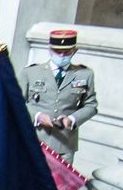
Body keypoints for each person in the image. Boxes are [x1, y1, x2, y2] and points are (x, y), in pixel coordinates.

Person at [23, 28, 97, 160]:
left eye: (66, 52)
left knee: (60, 182)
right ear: (50, 50)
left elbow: (91, 105)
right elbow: (16, 102)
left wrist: (72, 119)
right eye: (58, 51)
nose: (62, 56)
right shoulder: (31, 72)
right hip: (34, 140)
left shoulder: (85, 74)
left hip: (64, 145)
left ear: (74, 51)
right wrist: (38, 116)